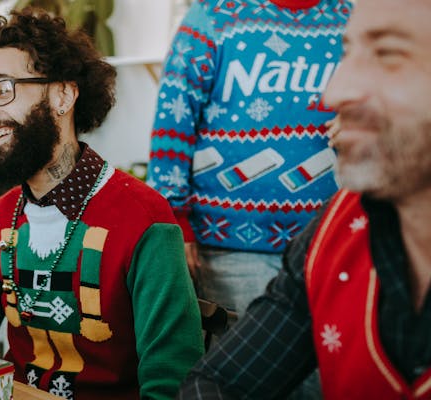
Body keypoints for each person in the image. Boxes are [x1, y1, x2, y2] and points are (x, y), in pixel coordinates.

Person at [0, 9, 203, 400]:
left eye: (2, 90)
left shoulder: (144, 219)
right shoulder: (1, 216)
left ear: (63, 94)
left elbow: (171, 377)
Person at [178, 0, 431, 398]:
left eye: (388, 54)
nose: (332, 94)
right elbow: (217, 383)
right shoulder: (334, 235)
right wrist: (177, 215)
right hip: (234, 244)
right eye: (347, 53)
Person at [147, 0, 351, 315]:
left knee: (331, 360)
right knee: (249, 360)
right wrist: (174, 220)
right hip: (231, 248)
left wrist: (364, 116)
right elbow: (174, 123)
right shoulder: (212, 17)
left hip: (335, 240)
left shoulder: (351, 18)